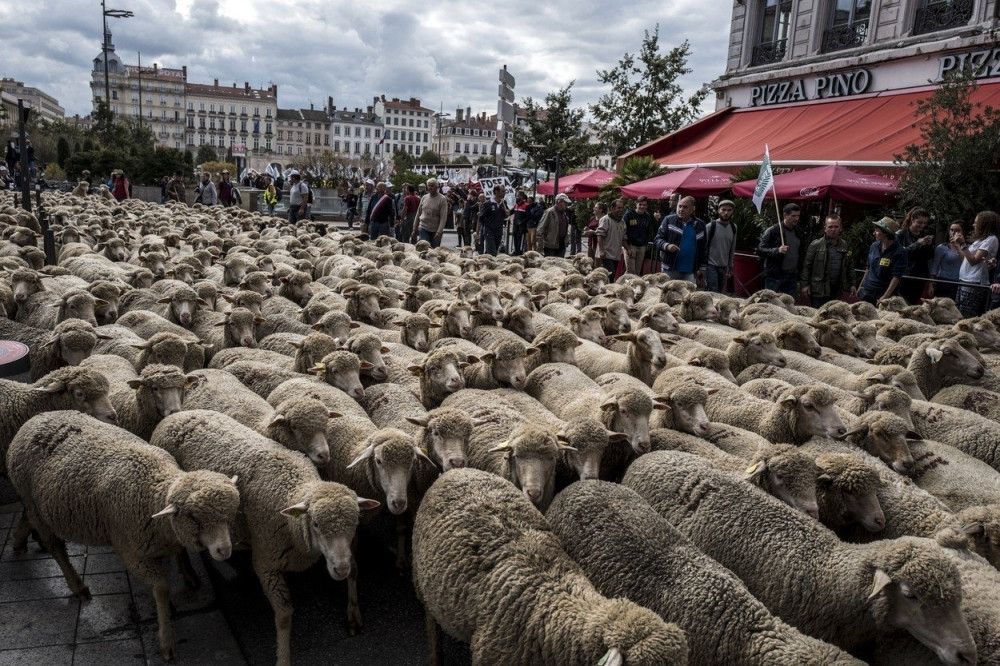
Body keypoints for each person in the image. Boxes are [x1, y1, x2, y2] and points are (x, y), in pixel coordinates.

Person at [799, 214, 852, 308]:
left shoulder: (844, 245)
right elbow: (807, 266)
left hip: (836, 290)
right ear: (825, 228)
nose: (833, 229)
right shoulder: (816, 245)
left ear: (840, 228)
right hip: (819, 290)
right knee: (818, 317)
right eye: (830, 227)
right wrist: (804, 285)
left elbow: (849, 266)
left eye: (836, 227)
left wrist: (852, 284)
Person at [954, 210, 1000, 318]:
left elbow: (973, 261)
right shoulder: (980, 240)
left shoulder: (991, 239)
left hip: (975, 282)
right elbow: (965, 258)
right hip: (964, 279)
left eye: (976, 222)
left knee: (966, 316)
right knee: (958, 314)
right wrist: (958, 245)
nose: (973, 224)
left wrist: (963, 244)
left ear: (984, 224)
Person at [654, 196, 707, 285]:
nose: (681, 209)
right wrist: (667, 246)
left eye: (685, 207)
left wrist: (702, 268)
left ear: (692, 209)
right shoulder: (669, 220)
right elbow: (657, 239)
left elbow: (703, 248)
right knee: (668, 295)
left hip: (690, 271)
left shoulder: (700, 225)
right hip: (670, 269)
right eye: (680, 206)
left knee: (688, 297)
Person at [854, 217, 907, 305]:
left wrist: (885, 297)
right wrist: (861, 286)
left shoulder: (900, 252)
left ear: (886, 233)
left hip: (883, 294)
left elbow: (896, 277)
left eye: (877, 230)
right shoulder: (874, 246)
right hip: (867, 291)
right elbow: (868, 268)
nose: (874, 233)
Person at [758, 202, 803, 297]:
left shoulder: (799, 231)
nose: (796, 218)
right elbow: (760, 249)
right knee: (770, 302)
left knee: (789, 304)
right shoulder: (773, 230)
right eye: (793, 216)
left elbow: (801, 252)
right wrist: (776, 250)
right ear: (785, 215)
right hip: (775, 275)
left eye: (798, 216)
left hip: (792, 275)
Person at [896, 206, 935, 304]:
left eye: (924, 223)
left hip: (919, 276)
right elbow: (899, 254)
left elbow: (930, 257)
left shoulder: (926, 233)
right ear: (912, 219)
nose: (922, 226)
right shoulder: (902, 234)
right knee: (901, 302)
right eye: (919, 222)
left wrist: (929, 245)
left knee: (913, 303)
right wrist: (917, 244)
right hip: (904, 275)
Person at [705, 199, 738, 293]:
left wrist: (730, 265)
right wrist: (702, 267)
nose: (726, 212)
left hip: (724, 266)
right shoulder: (710, 226)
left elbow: (732, 247)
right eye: (723, 209)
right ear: (718, 210)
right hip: (711, 265)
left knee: (720, 292)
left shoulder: (733, 227)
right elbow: (704, 247)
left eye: (729, 210)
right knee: (712, 291)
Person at [930, 221, 966, 301]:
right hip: (944, 281)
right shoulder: (942, 247)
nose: (954, 233)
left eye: (957, 230)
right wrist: (931, 284)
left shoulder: (967, 248)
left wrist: (958, 246)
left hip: (960, 283)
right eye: (952, 230)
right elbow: (935, 266)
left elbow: (965, 261)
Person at [412, 178, 449, 247]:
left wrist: (439, 231)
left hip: (435, 229)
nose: (430, 188)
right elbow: (418, 213)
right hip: (423, 227)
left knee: (434, 251)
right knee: (424, 249)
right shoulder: (424, 198)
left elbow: (443, 217)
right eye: (428, 186)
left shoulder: (442, 199)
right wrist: (414, 229)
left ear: (436, 187)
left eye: (432, 186)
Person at [623, 196, 654, 275]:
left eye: (644, 205)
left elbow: (649, 231)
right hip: (630, 245)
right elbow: (623, 231)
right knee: (630, 271)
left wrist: (646, 243)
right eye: (640, 204)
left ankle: (634, 287)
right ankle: (624, 287)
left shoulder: (647, 216)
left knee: (637, 272)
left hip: (642, 246)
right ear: (636, 204)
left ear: (647, 206)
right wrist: (627, 247)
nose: (642, 207)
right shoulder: (629, 214)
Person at [596, 199, 626, 277]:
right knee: (610, 275)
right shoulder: (605, 219)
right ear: (612, 208)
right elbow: (600, 235)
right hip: (606, 255)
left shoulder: (622, 222)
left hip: (616, 255)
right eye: (618, 208)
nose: (621, 210)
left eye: (622, 208)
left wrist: (628, 249)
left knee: (613, 275)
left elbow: (623, 237)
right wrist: (601, 250)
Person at [536, 193, 572, 257]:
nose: (567, 204)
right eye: (565, 202)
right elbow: (540, 229)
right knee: (550, 265)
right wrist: (540, 245)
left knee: (560, 265)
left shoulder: (564, 214)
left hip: (561, 245)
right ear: (559, 202)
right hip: (550, 245)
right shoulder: (550, 212)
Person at [477, 183, 509, 256]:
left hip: (499, 231)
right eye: (502, 191)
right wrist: (477, 232)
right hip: (489, 231)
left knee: (492, 252)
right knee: (492, 253)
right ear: (496, 192)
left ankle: (485, 262)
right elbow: (480, 218)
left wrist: (506, 211)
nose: (504, 193)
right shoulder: (488, 204)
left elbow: (506, 215)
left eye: (505, 191)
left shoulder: (503, 203)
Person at [511, 191, 531, 256]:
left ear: (522, 197)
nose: (516, 197)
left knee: (520, 242)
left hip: (521, 228)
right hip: (515, 226)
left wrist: (522, 222)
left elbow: (530, 216)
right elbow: (510, 212)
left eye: (518, 196)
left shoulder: (526, 205)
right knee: (515, 241)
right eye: (516, 196)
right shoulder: (516, 205)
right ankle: (516, 253)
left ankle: (520, 254)